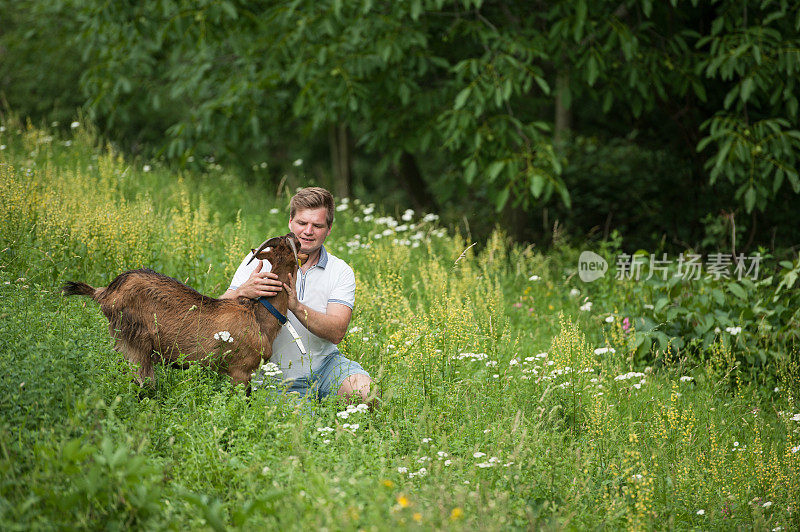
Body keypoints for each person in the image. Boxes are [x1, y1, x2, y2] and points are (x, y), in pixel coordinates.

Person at [220, 187, 374, 405]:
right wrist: (241, 292)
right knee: (299, 433)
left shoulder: (340, 271)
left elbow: (337, 331)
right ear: (291, 222)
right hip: (274, 376)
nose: (308, 231)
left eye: (317, 225)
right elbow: (217, 309)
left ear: (328, 229)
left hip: (326, 366)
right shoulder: (259, 260)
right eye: (302, 223)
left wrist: (295, 306)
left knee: (366, 394)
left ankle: (335, 406)